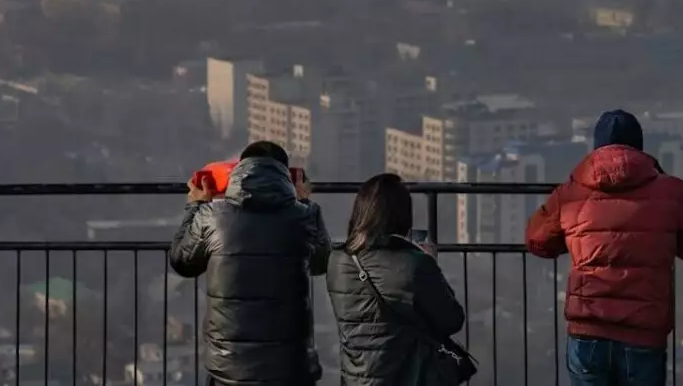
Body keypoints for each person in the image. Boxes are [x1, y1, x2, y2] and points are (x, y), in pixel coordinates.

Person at [526, 110, 683, 386]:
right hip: (644, 331)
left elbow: (537, 240)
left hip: (588, 329)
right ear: (640, 147)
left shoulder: (571, 193)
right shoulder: (672, 191)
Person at [170, 141, 331, 386]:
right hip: (289, 367)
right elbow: (321, 264)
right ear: (287, 176)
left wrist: (195, 206)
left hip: (229, 368)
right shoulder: (305, 216)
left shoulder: (211, 217)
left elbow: (182, 262)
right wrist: (304, 202)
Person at [326, 173, 466, 386]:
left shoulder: (337, 260)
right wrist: (428, 262)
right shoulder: (415, 265)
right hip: (408, 377)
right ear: (402, 216)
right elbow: (452, 320)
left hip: (356, 379)